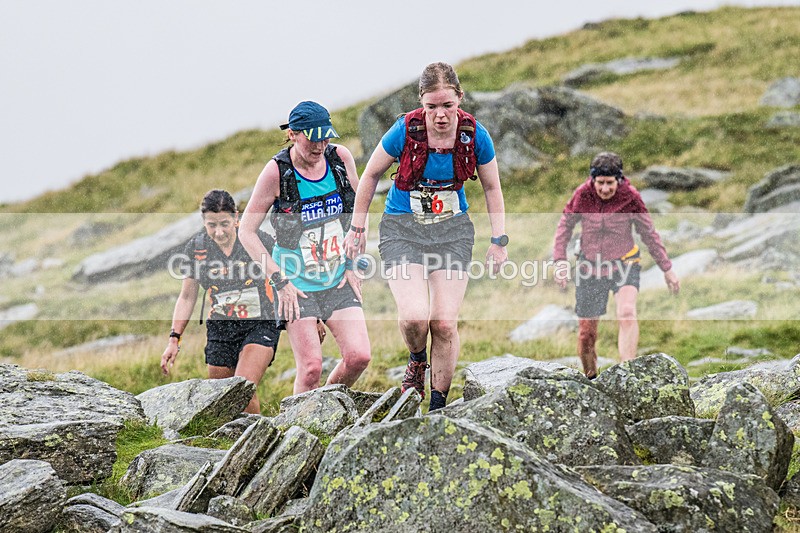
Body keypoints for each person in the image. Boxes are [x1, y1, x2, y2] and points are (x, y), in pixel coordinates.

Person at [343, 62, 508, 411]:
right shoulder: (404, 130)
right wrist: (358, 228)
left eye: (448, 105)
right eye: (432, 106)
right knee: (415, 317)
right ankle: (417, 360)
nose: (441, 115)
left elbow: (492, 187)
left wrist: (499, 241)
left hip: (452, 233)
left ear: (459, 99)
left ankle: (437, 408)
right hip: (403, 230)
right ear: (421, 102)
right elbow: (371, 175)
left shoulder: (475, 135)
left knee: (444, 323)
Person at [239, 101, 371, 394]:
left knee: (359, 356)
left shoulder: (340, 158)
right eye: (313, 138)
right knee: (311, 368)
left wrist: (354, 264)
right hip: (295, 285)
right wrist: (279, 280)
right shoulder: (276, 172)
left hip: (337, 277)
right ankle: (300, 427)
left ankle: (328, 404)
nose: (320, 145)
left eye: (326, 136)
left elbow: (359, 213)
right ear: (293, 134)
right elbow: (246, 231)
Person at [553, 152, 680, 379]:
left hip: (625, 263)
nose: (604, 189)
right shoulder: (582, 195)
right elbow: (565, 227)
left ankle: (627, 376)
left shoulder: (630, 197)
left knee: (627, 312)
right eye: (599, 183)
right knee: (586, 334)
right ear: (592, 180)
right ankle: (591, 379)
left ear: (618, 180)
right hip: (590, 266)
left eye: (609, 183)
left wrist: (667, 268)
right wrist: (560, 262)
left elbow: (649, 233)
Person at [160, 189, 281, 414]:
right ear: (204, 223)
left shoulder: (257, 240)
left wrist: (314, 318)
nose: (219, 232)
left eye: (224, 224)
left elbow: (287, 278)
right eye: (211, 225)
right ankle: (233, 445)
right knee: (223, 401)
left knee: (242, 389)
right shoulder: (197, 250)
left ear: (237, 218)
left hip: (260, 323)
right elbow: (187, 297)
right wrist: (174, 339)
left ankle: (259, 444)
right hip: (221, 329)